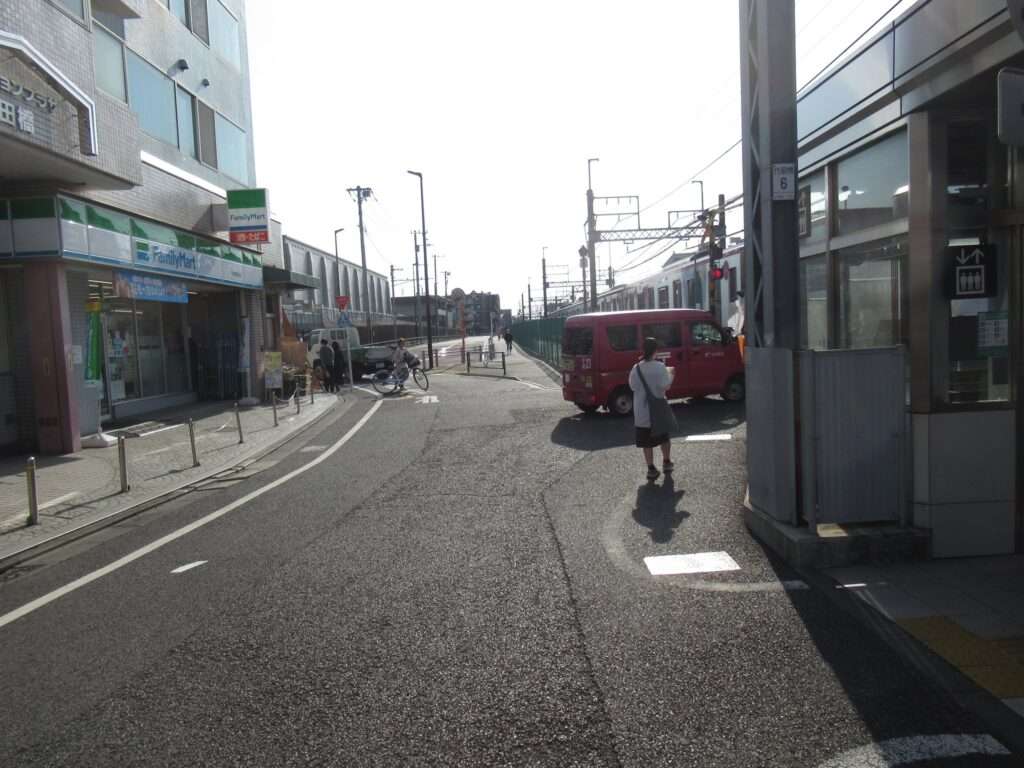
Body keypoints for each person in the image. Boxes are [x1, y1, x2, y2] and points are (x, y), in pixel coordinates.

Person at [628, 336, 674, 482]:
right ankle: (666, 462)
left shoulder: (636, 368)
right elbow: (665, 386)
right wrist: (671, 375)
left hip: (642, 411)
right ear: (655, 350)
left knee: (646, 442)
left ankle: (651, 469)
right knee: (664, 438)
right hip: (658, 409)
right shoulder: (660, 367)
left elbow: (632, 387)